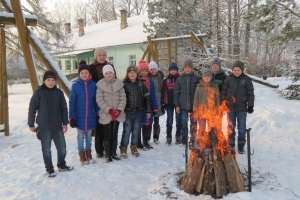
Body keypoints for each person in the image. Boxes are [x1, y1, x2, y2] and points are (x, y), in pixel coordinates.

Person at [28, 70, 73, 177]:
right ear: (44, 81)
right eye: (48, 80)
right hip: (44, 127)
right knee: (46, 150)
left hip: (57, 126)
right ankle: (49, 169)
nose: (51, 82)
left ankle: (61, 165)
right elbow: (32, 109)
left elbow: (63, 109)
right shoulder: (38, 93)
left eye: (53, 80)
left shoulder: (59, 93)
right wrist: (31, 124)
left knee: (62, 148)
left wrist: (65, 123)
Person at [69, 60, 99, 166]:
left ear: (89, 74)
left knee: (89, 136)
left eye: (86, 73)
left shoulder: (93, 85)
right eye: (82, 73)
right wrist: (72, 117)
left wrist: (98, 113)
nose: (84, 75)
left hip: (90, 116)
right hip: (79, 116)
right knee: (81, 137)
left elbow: (96, 101)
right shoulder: (75, 86)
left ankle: (89, 155)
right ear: (79, 74)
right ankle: (82, 157)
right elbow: (72, 102)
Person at [221, 60, 254, 154]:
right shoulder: (228, 79)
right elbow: (223, 92)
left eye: (238, 70)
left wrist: (250, 105)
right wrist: (223, 103)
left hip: (242, 108)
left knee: (242, 127)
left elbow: (250, 93)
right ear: (232, 70)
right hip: (230, 107)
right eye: (234, 70)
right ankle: (231, 144)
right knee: (230, 127)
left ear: (242, 70)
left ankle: (241, 146)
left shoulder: (246, 79)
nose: (236, 72)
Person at [90, 47, 117, 158]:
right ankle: (99, 150)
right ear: (96, 56)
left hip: (110, 100)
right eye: (99, 55)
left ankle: (109, 149)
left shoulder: (110, 66)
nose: (102, 57)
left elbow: (115, 80)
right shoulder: (91, 67)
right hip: (97, 99)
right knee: (99, 126)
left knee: (109, 127)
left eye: (103, 55)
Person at [96, 65, 126, 163]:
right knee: (107, 134)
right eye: (107, 73)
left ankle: (113, 152)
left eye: (110, 73)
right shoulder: (100, 85)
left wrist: (119, 110)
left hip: (117, 114)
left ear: (113, 73)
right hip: (107, 114)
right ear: (104, 74)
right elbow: (99, 100)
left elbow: (123, 99)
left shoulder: (119, 84)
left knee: (115, 134)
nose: (109, 75)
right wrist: (109, 110)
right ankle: (107, 154)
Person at [120, 65, 152, 158]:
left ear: (137, 73)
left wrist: (149, 110)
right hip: (128, 111)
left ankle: (134, 147)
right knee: (127, 130)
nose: (132, 74)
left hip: (139, 111)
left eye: (134, 72)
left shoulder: (141, 84)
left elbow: (147, 98)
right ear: (127, 74)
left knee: (136, 130)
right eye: (130, 72)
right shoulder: (124, 84)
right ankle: (123, 148)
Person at [173, 59, 200, 145]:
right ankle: (184, 138)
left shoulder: (196, 78)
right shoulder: (179, 79)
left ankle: (193, 138)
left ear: (192, 68)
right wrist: (177, 105)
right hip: (183, 106)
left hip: (193, 106)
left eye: (189, 67)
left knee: (194, 123)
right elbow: (176, 93)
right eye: (186, 67)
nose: (187, 69)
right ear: (183, 68)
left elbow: (200, 91)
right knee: (183, 122)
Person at [192, 68, 220, 149]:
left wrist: (218, 111)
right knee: (201, 128)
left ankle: (212, 143)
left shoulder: (215, 87)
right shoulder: (199, 87)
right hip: (202, 112)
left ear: (211, 77)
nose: (206, 78)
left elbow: (217, 100)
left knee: (212, 129)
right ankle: (201, 142)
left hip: (212, 113)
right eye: (205, 76)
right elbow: (195, 99)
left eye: (208, 76)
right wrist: (195, 110)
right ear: (202, 77)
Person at [137, 60, 158, 150]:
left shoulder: (150, 82)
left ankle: (146, 141)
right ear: (139, 71)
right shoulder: (137, 81)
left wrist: (155, 106)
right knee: (139, 124)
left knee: (148, 124)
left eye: (146, 71)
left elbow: (152, 95)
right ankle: (138, 142)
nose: (144, 72)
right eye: (142, 71)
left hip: (148, 105)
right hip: (140, 106)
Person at [161, 62, 181, 145]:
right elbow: (163, 92)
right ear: (169, 71)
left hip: (178, 104)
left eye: (175, 70)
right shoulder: (166, 80)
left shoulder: (180, 79)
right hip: (169, 103)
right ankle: (168, 137)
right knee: (169, 121)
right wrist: (163, 103)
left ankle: (178, 136)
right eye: (171, 70)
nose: (173, 71)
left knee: (178, 121)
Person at [148, 61, 164, 144]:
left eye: (154, 69)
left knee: (156, 120)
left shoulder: (160, 78)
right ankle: (147, 137)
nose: (153, 71)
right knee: (149, 120)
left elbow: (162, 90)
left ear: (157, 69)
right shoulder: (147, 78)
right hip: (150, 101)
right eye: (151, 69)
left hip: (158, 101)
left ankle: (156, 136)